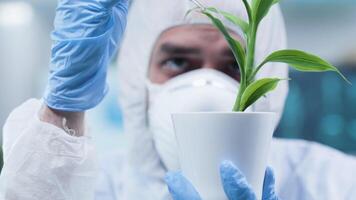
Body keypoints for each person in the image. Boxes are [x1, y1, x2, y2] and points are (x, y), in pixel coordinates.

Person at [1, 0, 356, 200]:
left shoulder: (330, 182)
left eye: (235, 66)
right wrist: (65, 104)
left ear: (268, 86)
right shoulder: (99, 186)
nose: (205, 86)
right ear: (139, 78)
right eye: (177, 62)